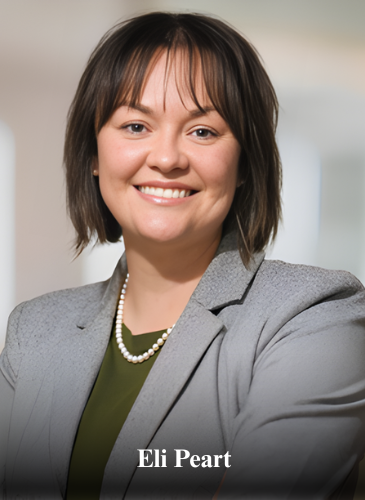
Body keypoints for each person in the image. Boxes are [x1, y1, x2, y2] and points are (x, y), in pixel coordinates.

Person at [1, 11, 365, 500]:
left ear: (243, 166)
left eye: (203, 132)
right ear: (93, 154)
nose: (167, 158)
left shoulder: (315, 317)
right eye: (135, 125)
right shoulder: (33, 332)